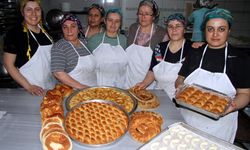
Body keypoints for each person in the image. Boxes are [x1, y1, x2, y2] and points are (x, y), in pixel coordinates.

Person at [175, 8, 250, 143]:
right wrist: (180, 88)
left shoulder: (240, 58)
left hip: (219, 127)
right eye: (210, 29)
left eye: (221, 29)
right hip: (188, 120)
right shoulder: (195, 53)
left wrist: (231, 106)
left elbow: (245, 94)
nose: (215, 34)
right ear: (205, 31)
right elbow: (180, 78)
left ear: (229, 31)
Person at [3, 0, 55, 96]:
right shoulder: (15, 33)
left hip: (50, 86)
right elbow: (8, 64)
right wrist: (29, 86)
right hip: (28, 89)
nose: (34, 14)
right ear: (22, 12)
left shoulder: (46, 31)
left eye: (37, 9)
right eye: (29, 10)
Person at [136, 13, 192, 99]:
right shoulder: (160, 48)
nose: (174, 30)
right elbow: (152, 71)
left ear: (184, 29)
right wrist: (144, 83)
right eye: (170, 26)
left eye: (178, 26)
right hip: (160, 97)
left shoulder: (192, 49)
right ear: (167, 29)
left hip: (182, 99)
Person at [125, 0, 166, 89]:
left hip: (149, 86)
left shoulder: (161, 34)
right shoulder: (132, 29)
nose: (143, 17)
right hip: (128, 83)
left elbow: (159, 62)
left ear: (154, 16)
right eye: (140, 13)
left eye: (147, 14)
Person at [51, 14, 96, 89]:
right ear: (62, 30)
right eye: (65, 27)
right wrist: (83, 88)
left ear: (78, 29)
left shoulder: (85, 42)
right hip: (74, 92)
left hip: (94, 89)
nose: (69, 31)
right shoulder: (59, 46)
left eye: (73, 26)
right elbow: (58, 73)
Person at [87, 8, 127, 88]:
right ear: (105, 21)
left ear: (120, 23)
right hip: (99, 85)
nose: (113, 24)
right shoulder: (94, 40)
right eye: (110, 20)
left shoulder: (124, 40)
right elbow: (87, 64)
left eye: (117, 21)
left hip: (120, 86)